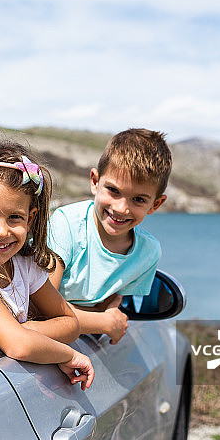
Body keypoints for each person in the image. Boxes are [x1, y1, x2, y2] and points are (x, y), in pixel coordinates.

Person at [0, 141, 94, 390]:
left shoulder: (24, 264)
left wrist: (29, 329)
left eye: (15, 217)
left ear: (30, 218)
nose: (1, 231)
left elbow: (71, 323)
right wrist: (68, 355)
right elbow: (18, 344)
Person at [48, 128, 171, 344]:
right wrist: (103, 324)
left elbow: (106, 307)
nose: (121, 208)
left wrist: (91, 316)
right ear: (95, 181)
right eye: (114, 191)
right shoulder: (66, 224)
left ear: (156, 204)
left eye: (139, 199)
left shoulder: (147, 252)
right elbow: (40, 306)